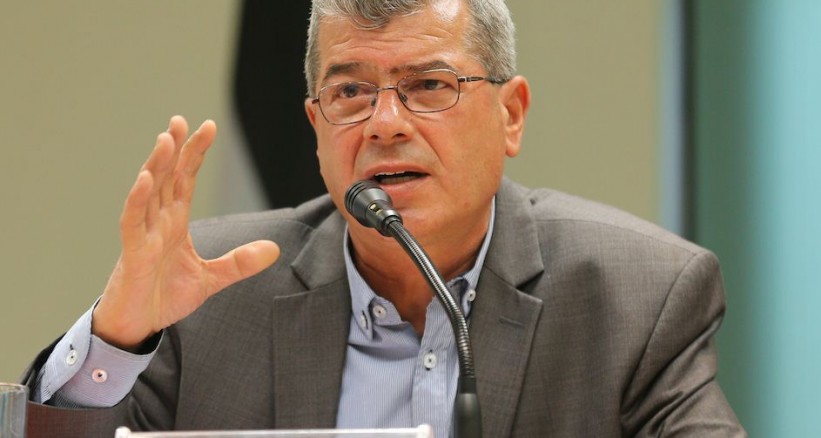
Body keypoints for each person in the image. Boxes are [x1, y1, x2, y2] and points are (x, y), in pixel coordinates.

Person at [21, 0, 746, 437]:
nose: (385, 123)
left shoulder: (635, 297)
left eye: (429, 85)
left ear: (510, 114)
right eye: (350, 93)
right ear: (316, 126)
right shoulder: (210, 292)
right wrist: (118, 337)